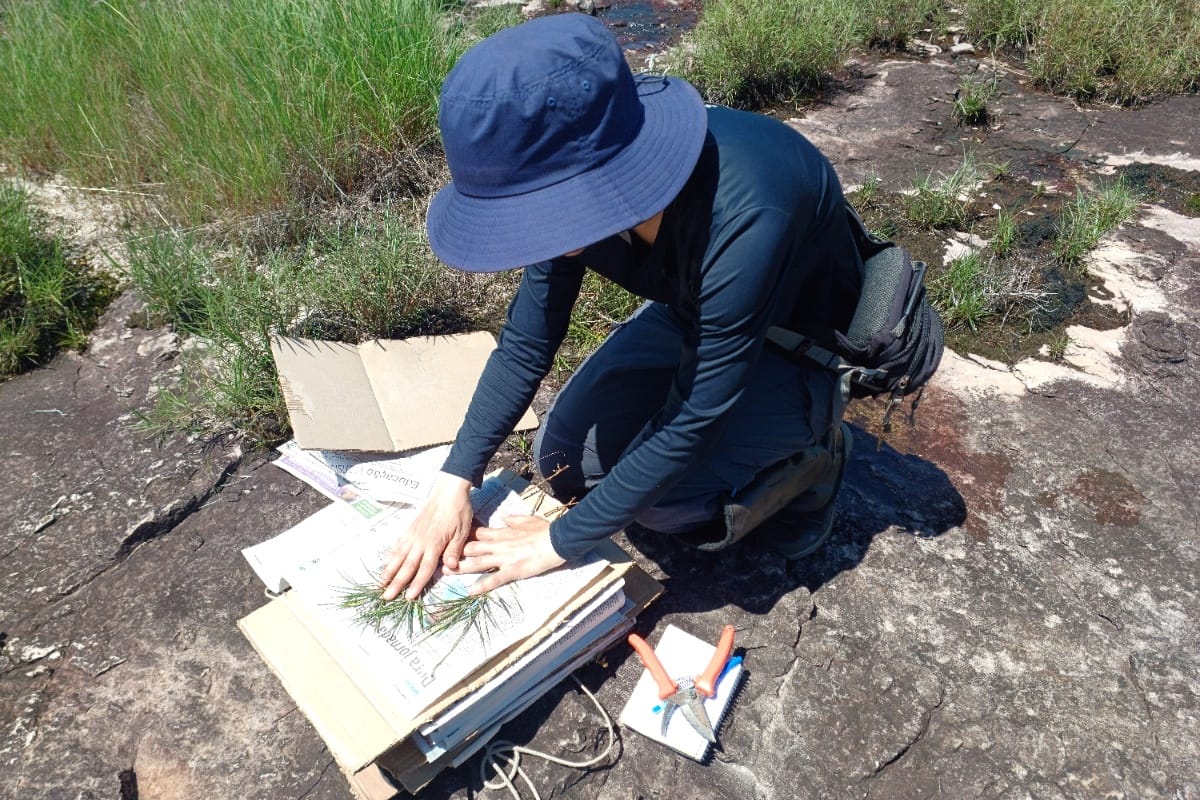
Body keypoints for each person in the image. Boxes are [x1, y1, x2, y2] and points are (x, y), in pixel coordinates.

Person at [380, 13, 863, 602]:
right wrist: (454, 481)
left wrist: (558, 542)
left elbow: (695, 418)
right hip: (698, 316)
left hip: (798, 345)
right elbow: (527, 343)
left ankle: (817, 458)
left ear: (595, 179)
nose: (528, 232)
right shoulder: (572, 184)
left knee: (663, 504)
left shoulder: (747, 214)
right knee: (564, 458)